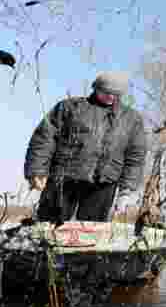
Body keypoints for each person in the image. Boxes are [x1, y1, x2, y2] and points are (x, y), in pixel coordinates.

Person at [24, 71, 147, 224]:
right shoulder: (70, 107)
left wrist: (127, 190)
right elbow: (44, 138)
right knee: (48, 224)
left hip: (103, 184)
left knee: (91, 231)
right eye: (106, 92)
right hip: (65, 178)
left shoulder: (131, 119)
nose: (111, 97)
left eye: (116, 94)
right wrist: (36, 171)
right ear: (95, 88)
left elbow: (135, 156)